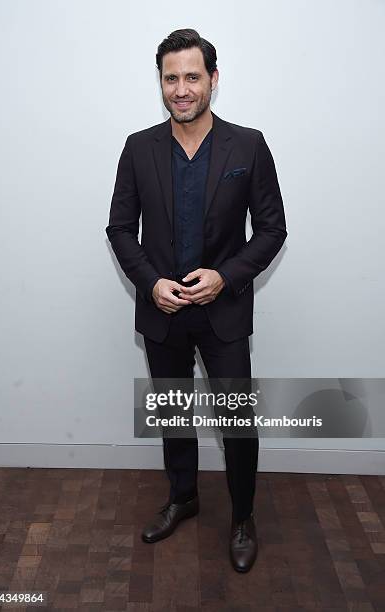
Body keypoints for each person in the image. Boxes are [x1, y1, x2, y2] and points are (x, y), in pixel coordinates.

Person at [105, 28, 287, 573]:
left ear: (213, 78)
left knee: (237, 422)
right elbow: (119, 229)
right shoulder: (138, 148)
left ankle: (242, 519)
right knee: (175, 416)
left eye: (191, 76)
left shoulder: (248, 145)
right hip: (163, 312)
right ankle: (183, 498)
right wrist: (149, 283)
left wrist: (226, 277)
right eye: (170, 78)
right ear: (159, 83)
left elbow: (273, 230)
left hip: (224, 311)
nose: (180, 89)